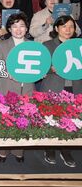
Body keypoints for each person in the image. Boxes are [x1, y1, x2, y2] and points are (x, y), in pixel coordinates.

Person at [0, 13, 33, 163]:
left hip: (26, 88)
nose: (18, 29)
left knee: (23, 120)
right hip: (6, 87)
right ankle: (2, 150)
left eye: (22, 26)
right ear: (9, 29)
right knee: (6, 120)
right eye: (14, 26)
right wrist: (8, 73)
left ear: (26, 28)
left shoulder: (32, 46)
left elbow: (40, 67)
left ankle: (18, 150)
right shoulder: (2, 45)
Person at [41, 16, 80, 168]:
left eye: (71, 26)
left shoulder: (79, 46)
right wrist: (50, 69)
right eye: (64, 26)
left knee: (70, 120)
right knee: (52, 119)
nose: (68, 29)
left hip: (74, 87)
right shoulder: (47, 45)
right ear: (56, 28)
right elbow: (40, 70)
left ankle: (66, 149)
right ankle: (49, 148)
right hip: (54, 86)